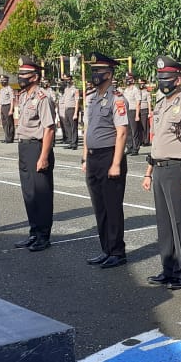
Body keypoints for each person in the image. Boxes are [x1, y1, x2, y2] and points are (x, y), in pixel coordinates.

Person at [142, 55, 181, 289]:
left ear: (178, 79)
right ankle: (167, 269)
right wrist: (148, 171)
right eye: (160, 78)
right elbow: (157, 142)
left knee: (180, 222)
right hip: (159, 168)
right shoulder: (160, 105)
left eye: (166, 78)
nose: (162, 82)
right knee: (164, 223)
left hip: (178, 168)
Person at [81, 53, 129, 268]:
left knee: (112, 207)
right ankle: (105, 249)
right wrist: (84, 157)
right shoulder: (91, 98)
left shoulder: (117, 99)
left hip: (109, 156)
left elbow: (121, 132)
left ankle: (117, 252)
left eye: (98, 72)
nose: (94, 75)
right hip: (93, 158)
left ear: (109, 74)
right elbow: (87, 130)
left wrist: (116, 163)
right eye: (93, 71)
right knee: (99, 207)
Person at [13, 56, 56, 252]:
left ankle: (43, 236)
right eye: (20, 74)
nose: (21, 77)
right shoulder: (23, 97)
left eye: (25, 74)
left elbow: (49, 128)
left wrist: (44, 156)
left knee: (42, 195)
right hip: (24, 147)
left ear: (35, 77)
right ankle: (34, 232)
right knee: (29, 193)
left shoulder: (42, 97)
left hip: (38, 148)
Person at [59, 73, 81, 149]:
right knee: (67, 126)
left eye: (67, 80)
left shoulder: (75, 89)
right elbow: (65, 100)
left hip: (72, 109)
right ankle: (70, 141)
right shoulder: (66, 89)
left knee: (73, 127)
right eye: (65, 80)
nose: (66, 81)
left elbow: (77, 101)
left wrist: (75, 113)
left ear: (70, 79)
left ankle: (74, 143)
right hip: (67, 109)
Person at [0, 74, 15, 143]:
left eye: (4, 80)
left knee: (9, 123)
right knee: (4, 123)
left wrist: (11, 109)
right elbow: (1, 101)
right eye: (1, 80)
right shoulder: (2, 89)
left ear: (7, 81)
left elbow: (12, 99)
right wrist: (0, 110)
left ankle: (10, 138)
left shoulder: (9, 89)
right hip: (3, 107)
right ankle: (6, 137)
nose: (2, 82)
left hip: (8, 106)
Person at [137, 76, 153, 147]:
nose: (141, 84)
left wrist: (149, 112)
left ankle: (146, 141)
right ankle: (140, 140)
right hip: (138, 110)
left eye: (142, 83)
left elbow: (149, 102)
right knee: (139, 126)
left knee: (145, 126)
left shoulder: (146, 92)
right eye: (139, 83)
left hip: (144, 109)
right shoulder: (137, 91)